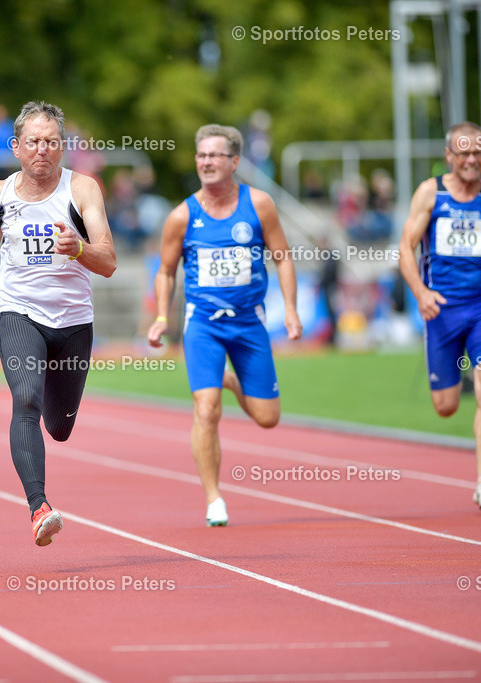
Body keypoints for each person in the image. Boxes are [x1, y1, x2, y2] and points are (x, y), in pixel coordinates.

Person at [0, 101, 116, 546]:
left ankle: (55, 426)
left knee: (60, 427)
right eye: (33, 142)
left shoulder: (83, 190)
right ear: (16, 147)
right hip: (19, 312)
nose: (42, 151)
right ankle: (39, 507)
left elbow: (107, 262)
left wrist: (78, 249)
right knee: (25, 399)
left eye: (51, 142)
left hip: (73, 322)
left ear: (63, 148)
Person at [147, 124, 302, 527]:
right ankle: (214, 499)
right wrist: (162, 317)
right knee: (206, 408)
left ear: (235, 162)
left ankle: (230, 381)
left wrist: (290, 309)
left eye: (215, 155)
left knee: (268, 418)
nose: (206, 162)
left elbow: (283, 257)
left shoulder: (260, 205)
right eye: (201, 155)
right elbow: (165, 272)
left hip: (250, 322)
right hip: (203, 325)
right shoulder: (182, 216)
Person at [397, 121, 481, 514]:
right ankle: (452, 377)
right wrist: (420, 293)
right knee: (446, 405)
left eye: (478, 152)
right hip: (440, 309)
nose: (471, 159)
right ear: (449, 156)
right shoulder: (430, 193)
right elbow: (405, 247)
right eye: (464, 152)